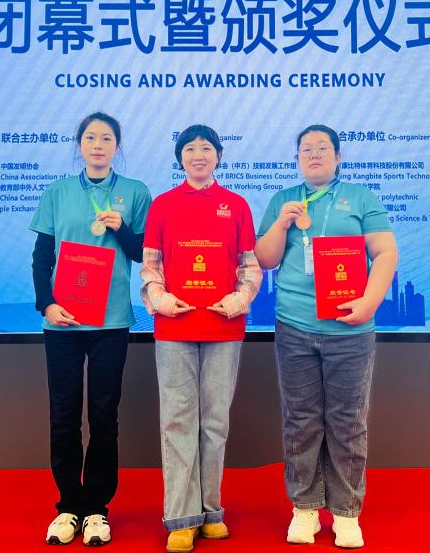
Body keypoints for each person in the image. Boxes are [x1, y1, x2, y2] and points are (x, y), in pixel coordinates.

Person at [254, 125, 398, 549]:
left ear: (338, 156)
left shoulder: (361, 198)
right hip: (295, 326)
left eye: (322, 148)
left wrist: (370, 302)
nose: (314, 154)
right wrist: (282, 223)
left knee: (347, 421)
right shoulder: (283, 199)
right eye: (306, 150)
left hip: (350, 330)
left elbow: (385, 252)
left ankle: (347, 512)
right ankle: (304, 508)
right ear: (297, 158)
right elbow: (265, 259)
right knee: (300, 420)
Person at [29, 112, 152, 546]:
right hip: (63, 321)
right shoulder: (57, 192)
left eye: (106, 138)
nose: (98, 145)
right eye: (90, 138)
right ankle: (68, 506)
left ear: (117, 146)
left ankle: (97, 508)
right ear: (79, 144)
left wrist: (123, 231)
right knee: (63, 416)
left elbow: (144, 252)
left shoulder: (135, 192)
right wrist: (46, 304)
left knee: (103, 415)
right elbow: (42, 257)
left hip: (111, 321)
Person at [140, 124, 262, 553]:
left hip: (223, 327)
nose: (198, 155)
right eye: (190, 148)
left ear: (218, 156)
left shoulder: (236, 205)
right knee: (177, 421)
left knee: (215, 422)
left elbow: (250, 267)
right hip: (174, 328)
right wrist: (160, 299)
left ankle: (211, 511)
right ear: (180, 158)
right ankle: (181, 516)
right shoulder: (163, 205)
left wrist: (238, 299)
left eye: (206, 148)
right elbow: (151, 267)